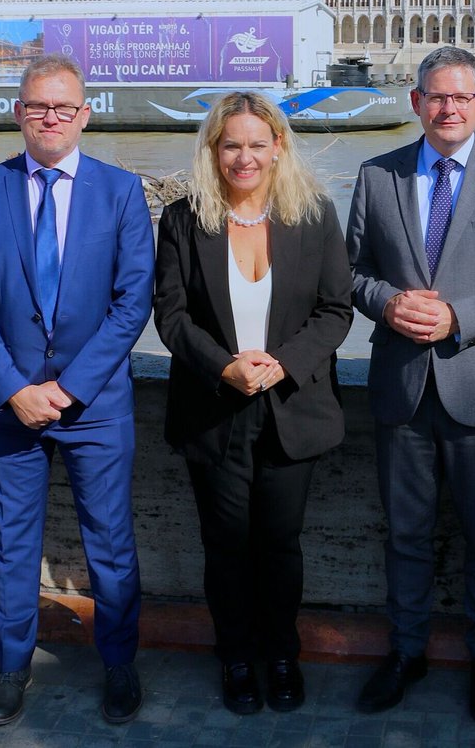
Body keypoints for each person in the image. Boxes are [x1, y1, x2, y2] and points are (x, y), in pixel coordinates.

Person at [346, 45, 475, 724]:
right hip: (401, 386)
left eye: (462, 97)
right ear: (416, 103)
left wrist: (458, 317)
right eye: (436, 96)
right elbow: (349, 272)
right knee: (403, 534)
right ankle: (406, 653)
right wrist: (387, 303)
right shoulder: (376, 175)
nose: (449, 108)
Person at [0, 54, 155, 727]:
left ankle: (120, 664)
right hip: (8, 409)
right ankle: (12, 669)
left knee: (110, 541)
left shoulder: (121, 192)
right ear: (17, 112)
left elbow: (133, 302)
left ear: (85, 115)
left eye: (64, 107)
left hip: (94, 407)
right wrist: (13, 389)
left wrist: (68, 388)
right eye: (38, 106)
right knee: (10, 542)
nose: (50, 118)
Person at [154, 91, 352, 715]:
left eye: (257, 144)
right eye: (231, 144)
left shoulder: (315, 214)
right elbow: (172, 315)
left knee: (281, 543)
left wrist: (282, 363)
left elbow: (335, 310)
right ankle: (236, 657)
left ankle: (283, 655)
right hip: (215, 407)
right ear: (213, 149)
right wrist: (225, 366)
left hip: (292, 407)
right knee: (225, 544)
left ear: (279, 148)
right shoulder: (185, 219)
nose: (244, 157)